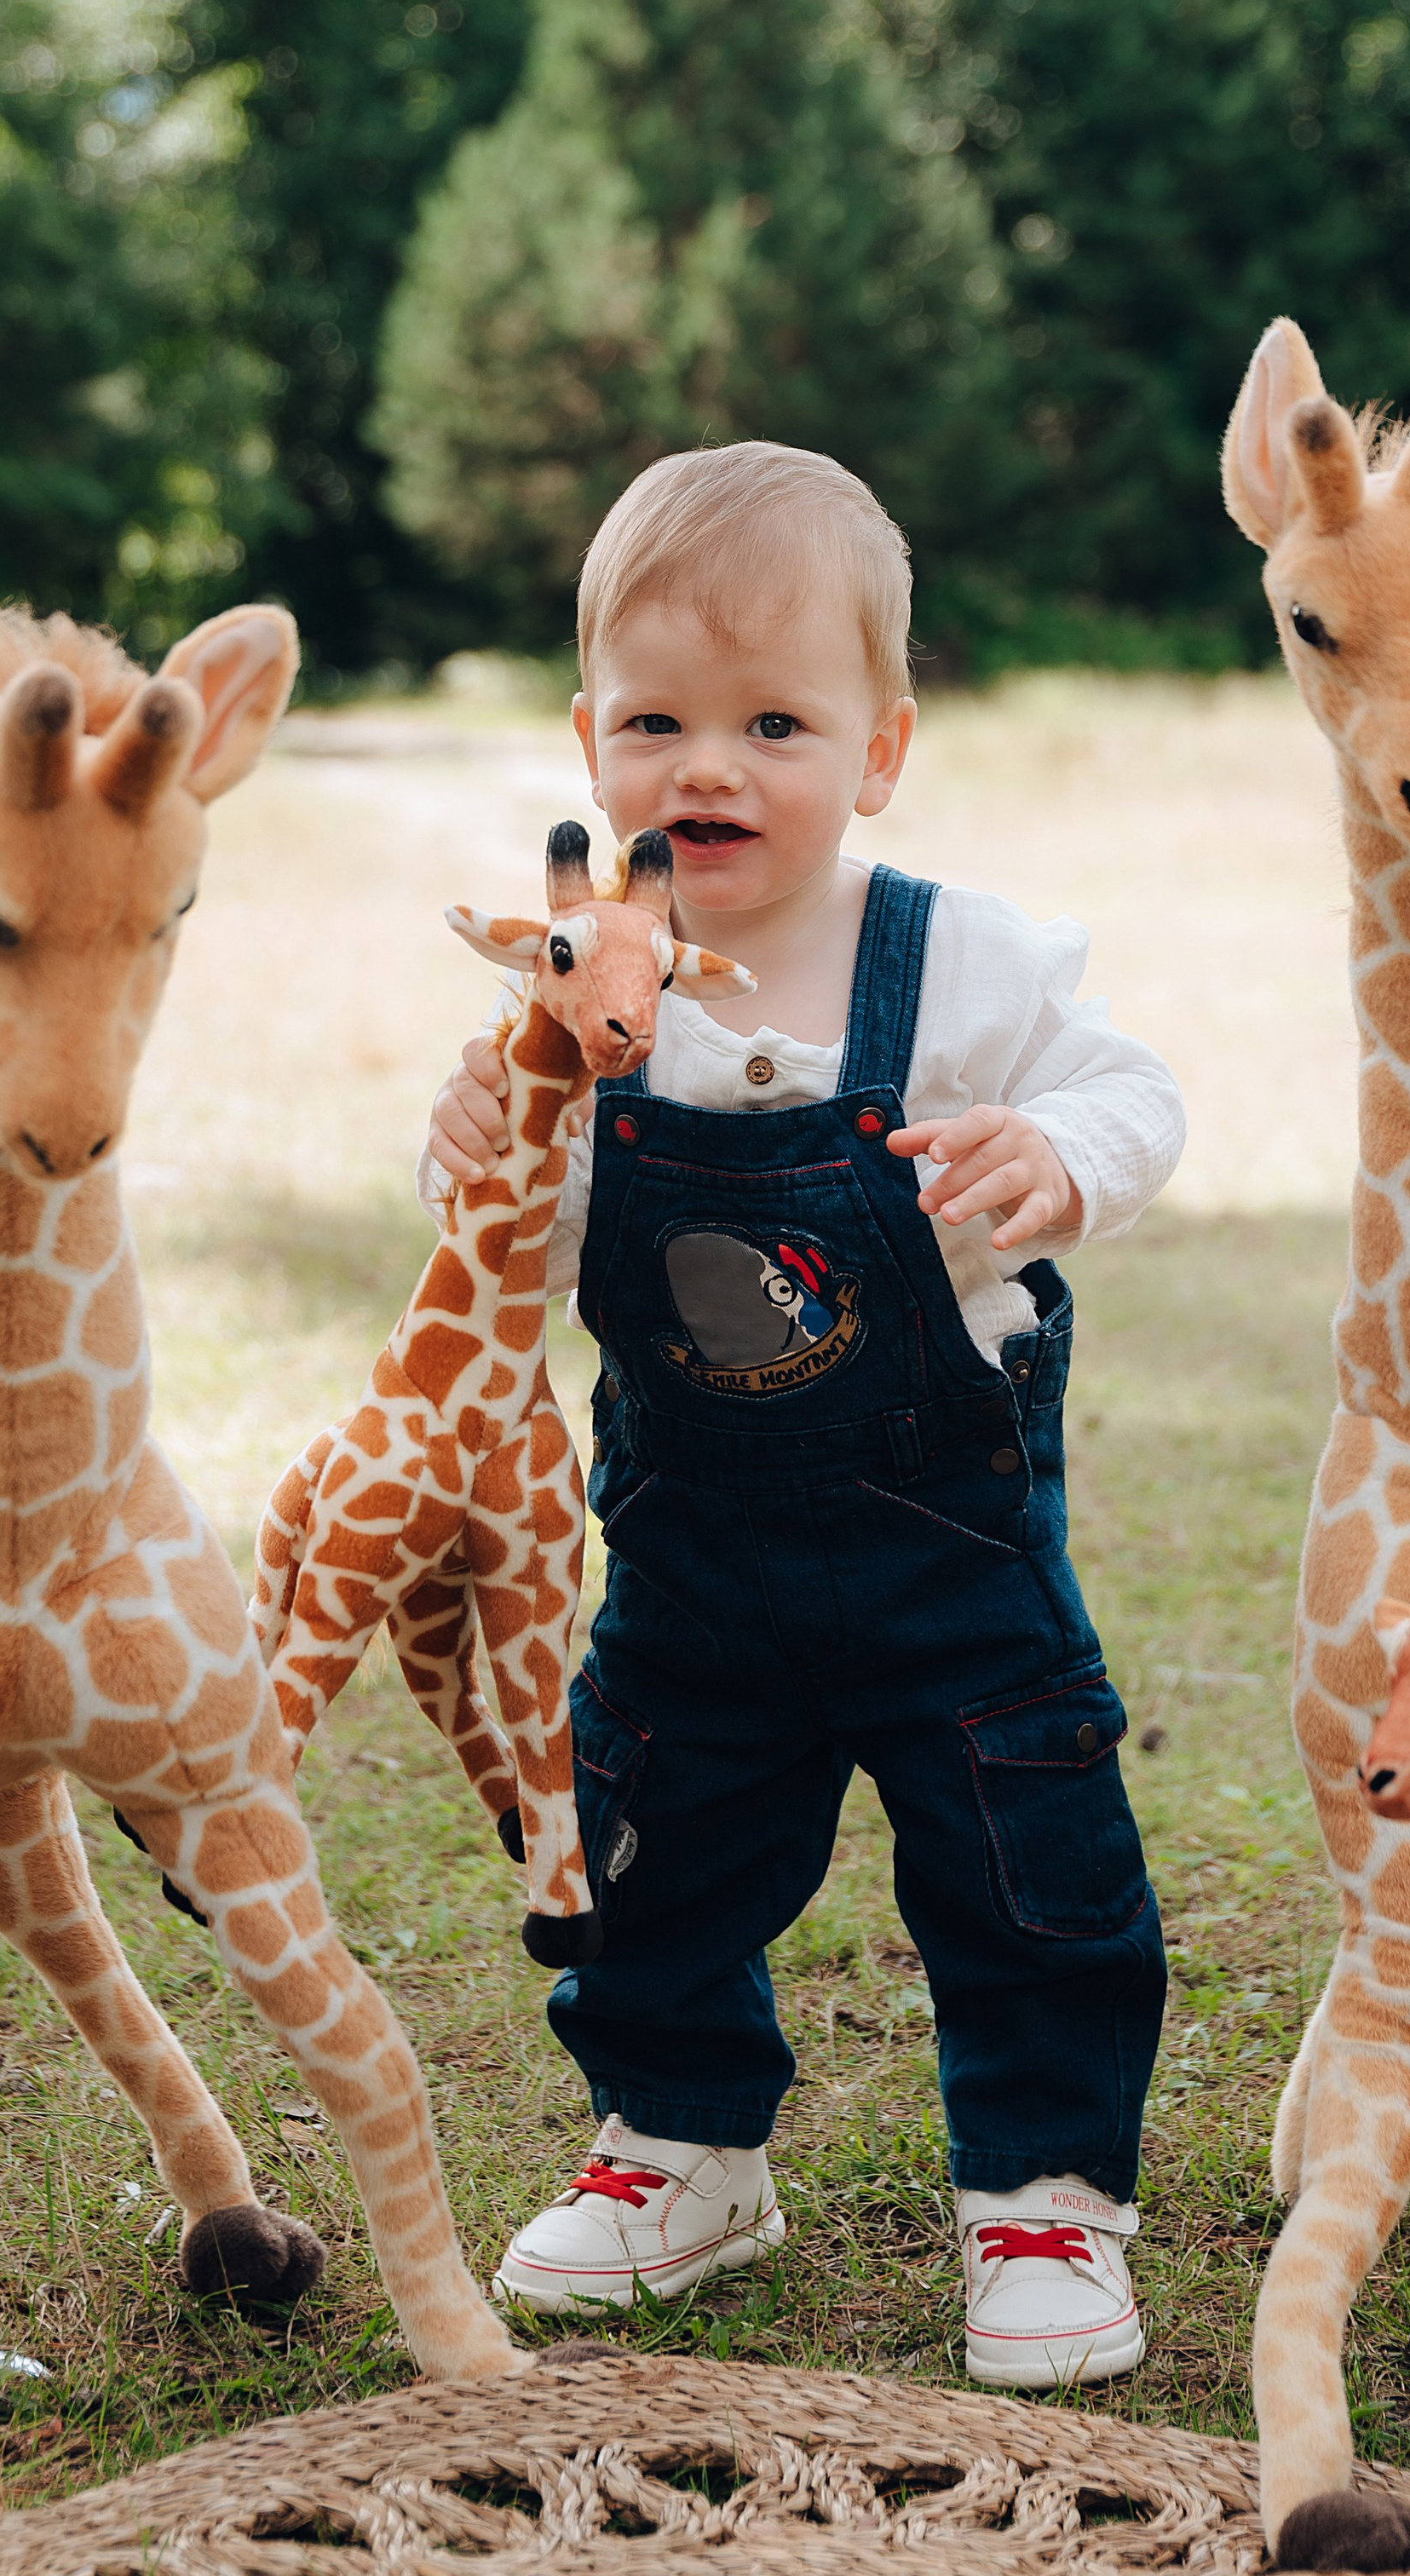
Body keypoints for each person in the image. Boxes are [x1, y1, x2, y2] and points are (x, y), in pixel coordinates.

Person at [420, 440, 1183, 2386]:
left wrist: (1061, 1154)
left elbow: (1135, 1090)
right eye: (658, 721)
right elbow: (523, 1233)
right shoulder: (580, 1004)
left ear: (879, 748)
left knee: (1026, 1867)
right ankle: (678, 2141)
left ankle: (1044, 2193)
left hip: (949, 1550)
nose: (713, 767)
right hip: (692, 1555)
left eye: (775, 723)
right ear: (589, 741)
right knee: (646, 1850)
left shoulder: (960, 959)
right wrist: (484, 1138)